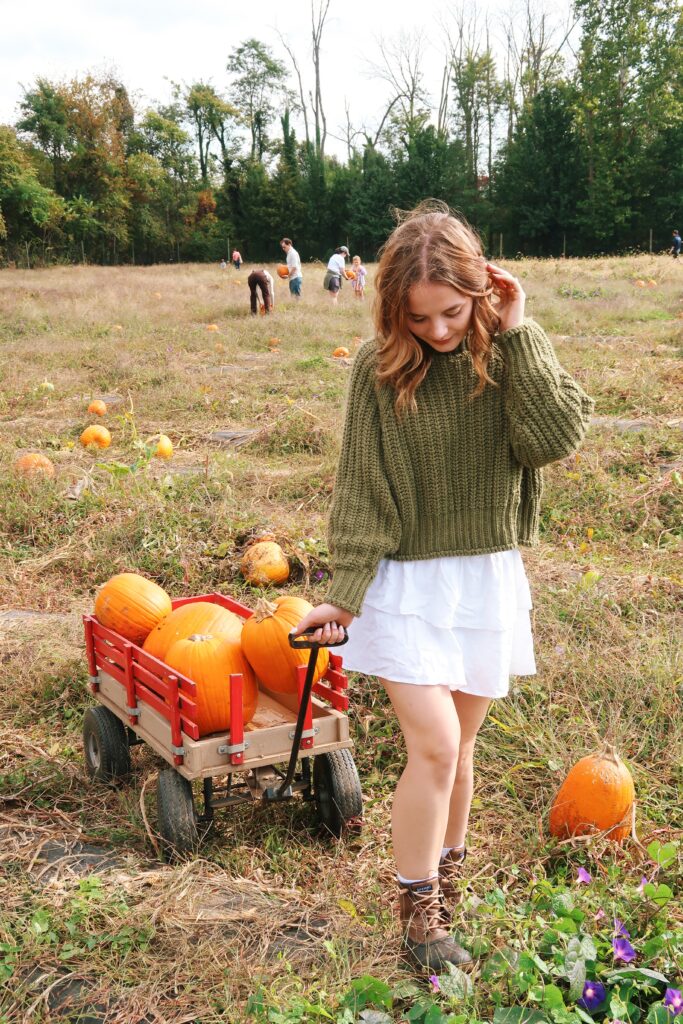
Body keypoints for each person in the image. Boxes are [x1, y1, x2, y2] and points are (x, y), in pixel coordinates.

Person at [294, 201, 594, 972]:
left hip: (484, 579)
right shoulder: (379, 366)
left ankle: (445, 892)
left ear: (480, 290)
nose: (435, 331)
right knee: (431, 746)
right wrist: (346, 590)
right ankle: (418, 916)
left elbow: (551, 440)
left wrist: (519, 330)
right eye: (418, 315)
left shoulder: (509, 351)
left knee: (460, 753)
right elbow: (361, 486)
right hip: (404, 585)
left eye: (451, 312)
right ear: (395, 306)